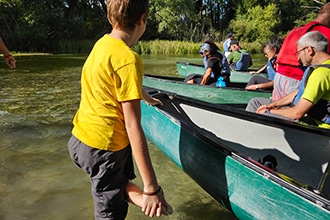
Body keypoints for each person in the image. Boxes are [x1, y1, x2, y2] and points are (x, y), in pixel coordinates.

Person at [67, 0, 173, 219]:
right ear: (142, 19)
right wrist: (152, 187)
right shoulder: (128, 59)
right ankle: (150, 198)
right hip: (104, 150)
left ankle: (146, 201)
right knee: (109, 211)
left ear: (109, 17)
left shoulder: (102, 44)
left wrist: (147, 98)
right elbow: (133, 127)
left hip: (79, 143)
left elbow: (119, 83)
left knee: (111, 185)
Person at [249, 31, 330, 129]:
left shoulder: (321, 74)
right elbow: (299, 91)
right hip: (307, 116)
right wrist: (272, 105)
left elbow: (297, 113)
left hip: (316, 125)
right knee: (256, 103)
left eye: (299, 52)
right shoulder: (322, 67)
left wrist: (268, 111)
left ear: (309, 50)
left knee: (262, 112)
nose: (298, 57)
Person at [272, 2, 330, 101]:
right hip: (297, 81)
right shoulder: (323, 33)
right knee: (292, 114)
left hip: (279, 78)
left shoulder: (296, 30)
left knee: (276, 111)